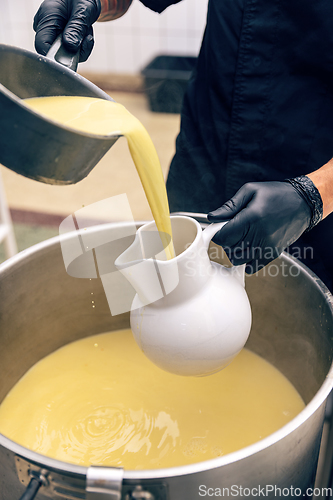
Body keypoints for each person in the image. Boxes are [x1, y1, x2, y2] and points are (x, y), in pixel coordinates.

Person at [33, 0, 333, 291]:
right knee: (170, 290)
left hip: (306, 187)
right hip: (204, 152)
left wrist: (315, 195)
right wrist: (90, 2)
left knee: (303, 317)